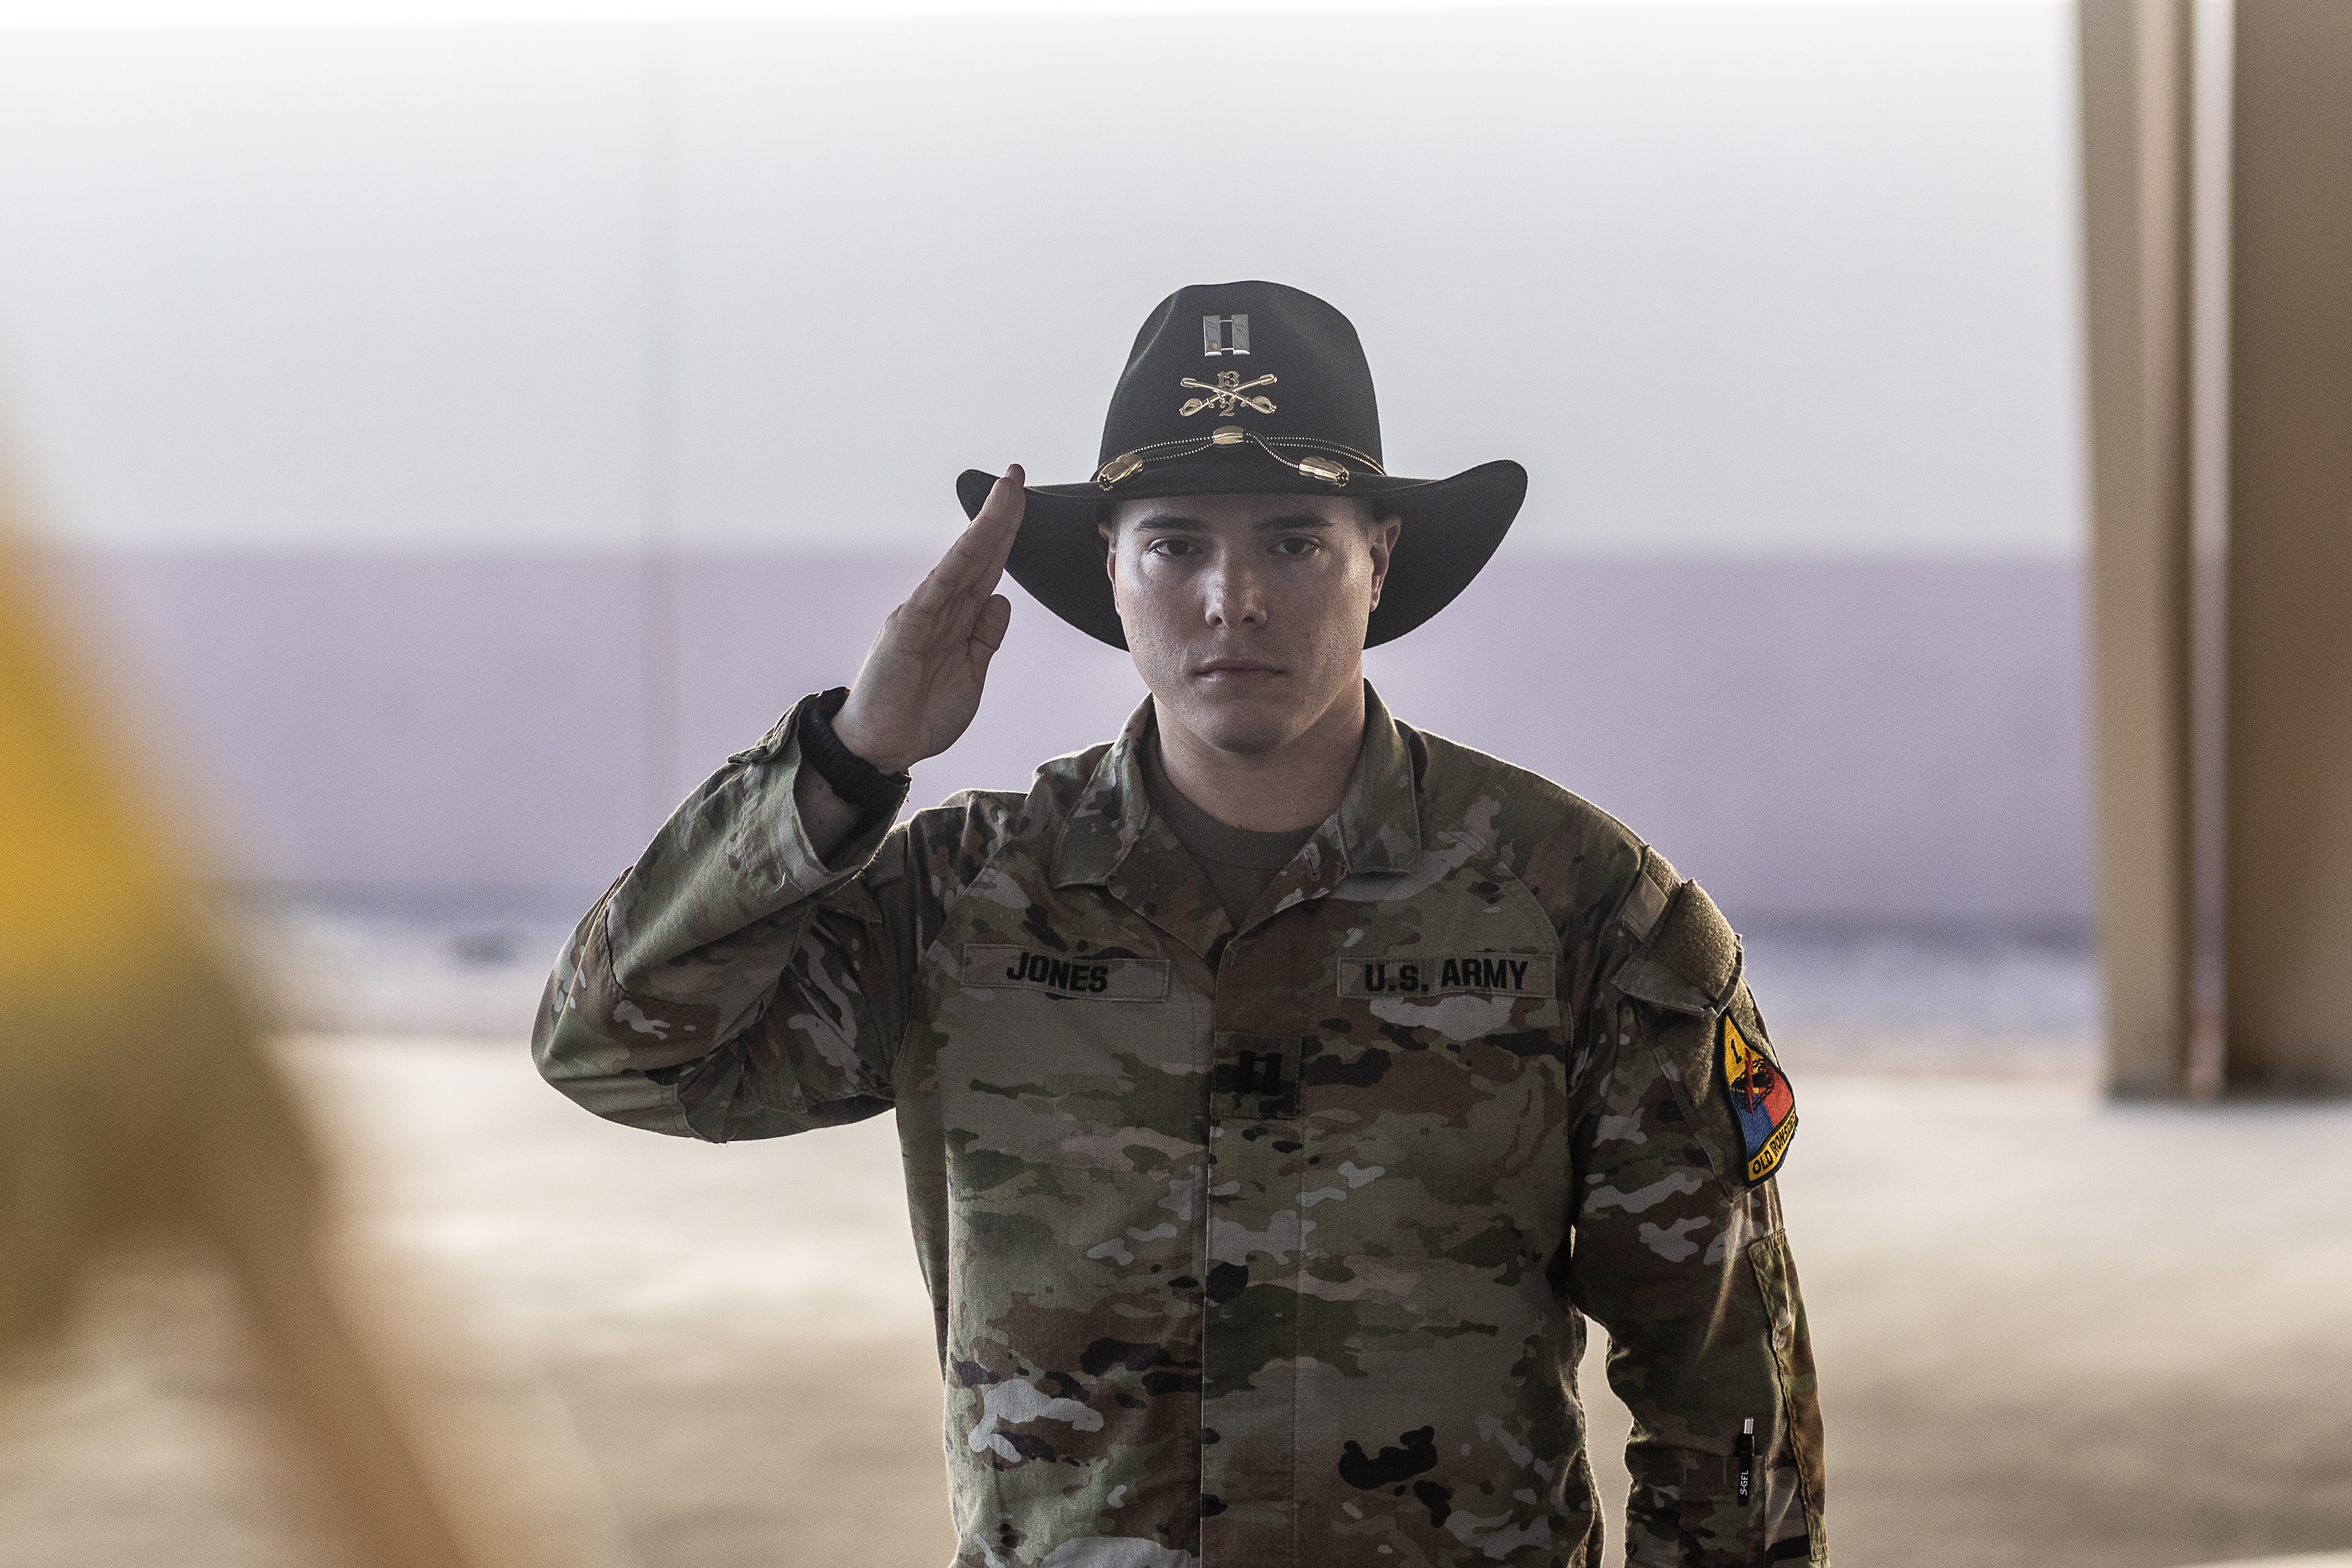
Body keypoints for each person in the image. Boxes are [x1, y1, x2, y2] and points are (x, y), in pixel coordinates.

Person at [533, 281, 1825, 1567]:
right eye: (1176, 545)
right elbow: (616, 1049)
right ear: (1111, 568)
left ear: (1379, 558)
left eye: (1294, 542)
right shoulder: (968, 895)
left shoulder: (1581, 906)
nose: (1233, 598)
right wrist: (848, 760)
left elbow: (1726, 1398)